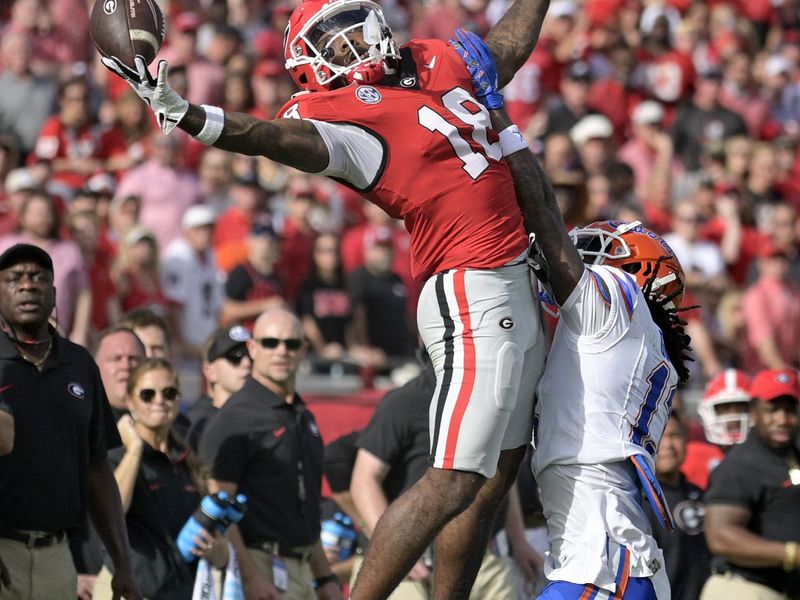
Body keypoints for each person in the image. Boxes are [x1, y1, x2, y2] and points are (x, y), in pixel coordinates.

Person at [104, 0, 553, 595]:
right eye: (334, 39)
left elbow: (504, 51)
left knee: (497, 474)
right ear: (312, 67)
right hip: (470, 286)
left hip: (516, 276)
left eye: (353, 22)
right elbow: (270, 135)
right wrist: (190, 115)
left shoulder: (432, 61)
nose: (356, 38)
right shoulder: (338, 118)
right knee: (454, 477)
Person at [450, 29, 694, 598]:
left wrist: (498, 117)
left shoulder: (621, 302)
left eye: (603, 253)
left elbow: (544, 216)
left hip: (601, 540)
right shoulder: (629, 333)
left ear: (642, 276)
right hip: (597, 529)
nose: (586, 259)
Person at [0, 243, 140, 599]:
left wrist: (122, 563)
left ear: (55, 293)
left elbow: (97, 468)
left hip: (58, 556)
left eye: (39, 278)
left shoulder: (79, 364)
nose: (28, 286)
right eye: (14, 279)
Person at [199, 308, 344, 600]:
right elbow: (217, 505)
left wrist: (325, 576)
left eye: (291, 344)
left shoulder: (303, 417)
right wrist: (250, 577)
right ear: (253, 348)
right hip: (260, 565)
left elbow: (305, 508)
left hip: (304, 569)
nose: (282, 351)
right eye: (270, 342)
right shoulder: (235, 417)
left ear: (304, 350)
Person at [93, 358, 229, 599]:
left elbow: (211, 532)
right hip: (134, 590)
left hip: (186, 590)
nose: (159, 401)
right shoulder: (114, 455)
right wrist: (134, 449)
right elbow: (113, 509)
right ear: (129, 401)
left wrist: (220, 552)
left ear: (178, 398)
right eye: (147, 394)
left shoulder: (188, 460)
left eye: (169, 392)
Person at [701, 368, 800, 600]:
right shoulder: (741, 463)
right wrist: (792, 554)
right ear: (754, 412)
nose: (783, 420)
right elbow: (721, 536)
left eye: (789, 410)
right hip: (744, 590)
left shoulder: (790, 456)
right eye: (772, 410)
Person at [647, 410, 712, 600]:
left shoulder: (702, 494)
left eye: (674, 436)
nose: (668, 445)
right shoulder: (638, 502)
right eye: (659, 437)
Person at [184, 324, 253, 451]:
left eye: (252, 355)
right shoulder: (192, 425)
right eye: (235, 355)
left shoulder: (264, 416)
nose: (247, 363)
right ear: (210, 371)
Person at [683, 369, 752, 490]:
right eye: (724, 409)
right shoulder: (692, 456)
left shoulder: (767, 454)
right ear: (706, 411)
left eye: (741, 408)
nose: (733, 417)